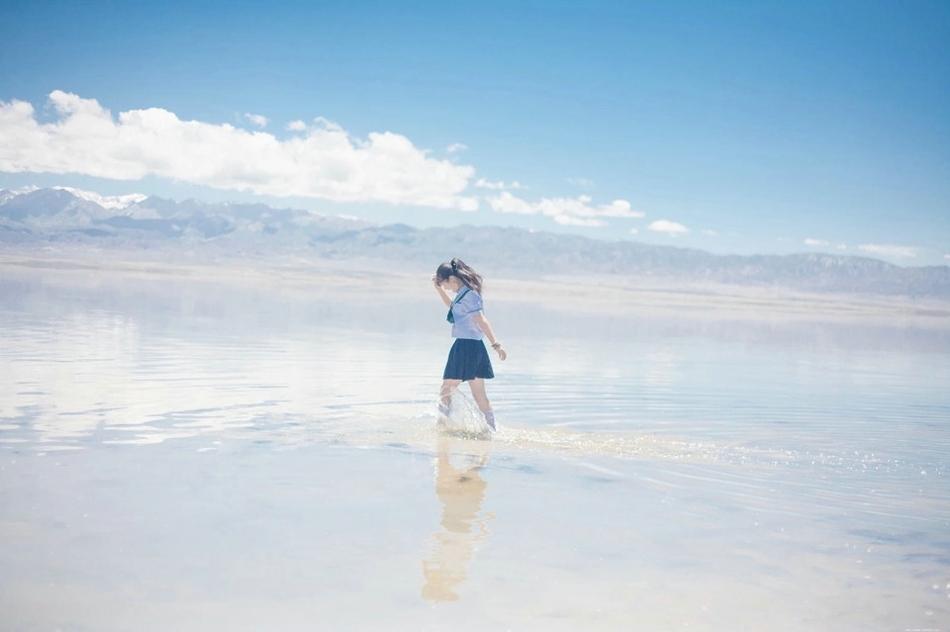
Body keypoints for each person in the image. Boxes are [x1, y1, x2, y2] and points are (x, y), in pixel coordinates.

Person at [432, 257, 507, 431]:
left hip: (466, 347)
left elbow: (481, 319)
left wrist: (496, 345)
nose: (447, 289)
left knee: (446, 390)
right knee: (478, 395)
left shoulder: (470, 295)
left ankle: (440, 427)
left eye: (446, 285)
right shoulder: (463, 294)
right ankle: (492, 430)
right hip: (472, 347)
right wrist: (438, 289)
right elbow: (452, 307)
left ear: (452, 279)